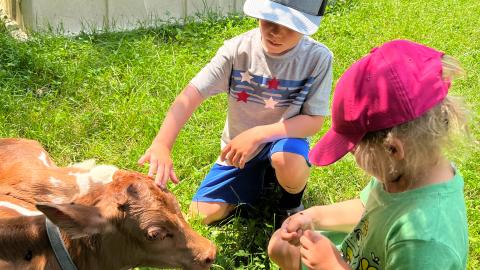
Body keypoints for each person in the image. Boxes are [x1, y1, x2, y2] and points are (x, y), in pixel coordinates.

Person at [268, 39, 470, 269]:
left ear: (392, 149)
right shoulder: (406, 171)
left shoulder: (425, 242)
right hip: (351, 256)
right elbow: (370, 208)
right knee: (279, 245)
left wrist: (332, 266)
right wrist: (313, 217)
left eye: (353, 147)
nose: (350, 154)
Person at [138, 0, 333, 224]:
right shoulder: (237, 50)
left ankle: (290, 203)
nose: (276, 32)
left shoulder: (318, 58)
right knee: (201, 213)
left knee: (285, 159)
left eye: (290, 25)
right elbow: (191, 94)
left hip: (284, 141)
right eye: (269, 19)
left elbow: (313, 121)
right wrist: (162, 144)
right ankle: (259, 183)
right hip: (239, 150)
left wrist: (258, 134)